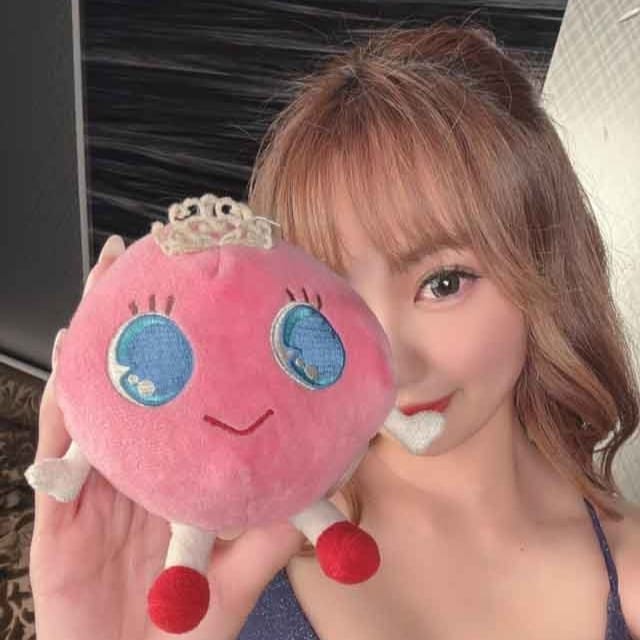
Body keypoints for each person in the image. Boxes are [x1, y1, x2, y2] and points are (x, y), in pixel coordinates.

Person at [29, 22, 640, 640]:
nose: (392, 365)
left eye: (444, 283)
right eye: (333, 304)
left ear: (544, 262)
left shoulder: (628, 572)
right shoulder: (214, 552)